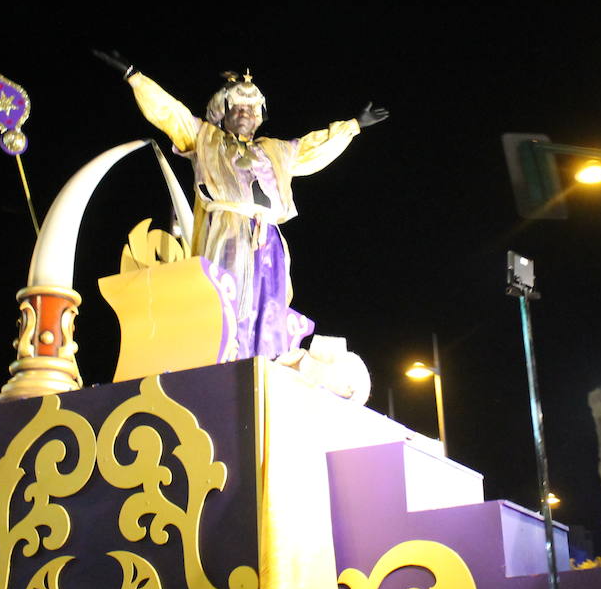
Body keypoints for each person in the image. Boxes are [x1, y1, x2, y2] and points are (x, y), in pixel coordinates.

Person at [95, 51, 388, 360]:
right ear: (224, 112)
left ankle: (267, 359)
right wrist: (134, 76)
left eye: (251, 108)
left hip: (267, 236)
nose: (245, 112)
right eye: (237, 106)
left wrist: (353, 124)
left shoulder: (275, 150)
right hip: (227, 228)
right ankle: (226, 358)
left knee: (270, 302)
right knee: (227, 295)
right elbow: (170, 112)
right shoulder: (204, 137)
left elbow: (314, 148)